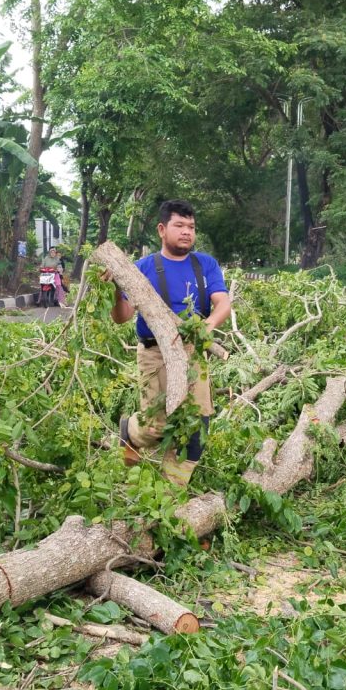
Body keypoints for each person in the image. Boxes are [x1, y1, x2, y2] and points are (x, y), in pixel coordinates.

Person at [110, 199, 231, 487]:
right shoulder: (141, 268)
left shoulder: (206, 264)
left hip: (192, 352)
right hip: (155, 353)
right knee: (159, 426)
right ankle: (131, 430)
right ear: (162, 230)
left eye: (191, 226)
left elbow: (223, 304)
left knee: (196, 423)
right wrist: (117, 289)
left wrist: (206, 326)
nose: (187, 232)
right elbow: (122, 317)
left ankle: (169, 496)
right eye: (180, 225)